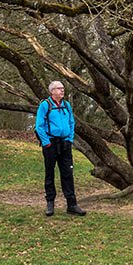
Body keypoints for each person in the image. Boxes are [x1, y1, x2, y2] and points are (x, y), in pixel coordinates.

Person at [35, 81, 86, 217]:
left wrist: (69, 139)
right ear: (52, 91)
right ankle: (50, 203)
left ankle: (72, 204)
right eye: (59, 88)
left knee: (68, 174)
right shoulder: (45, 105)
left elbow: (71, 122)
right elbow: (39, 126)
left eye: (63, 88)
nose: (62, 91)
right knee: (49, 174)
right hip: (51, 144)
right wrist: (46, 143)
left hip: (65, 144)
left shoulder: (66, 105)